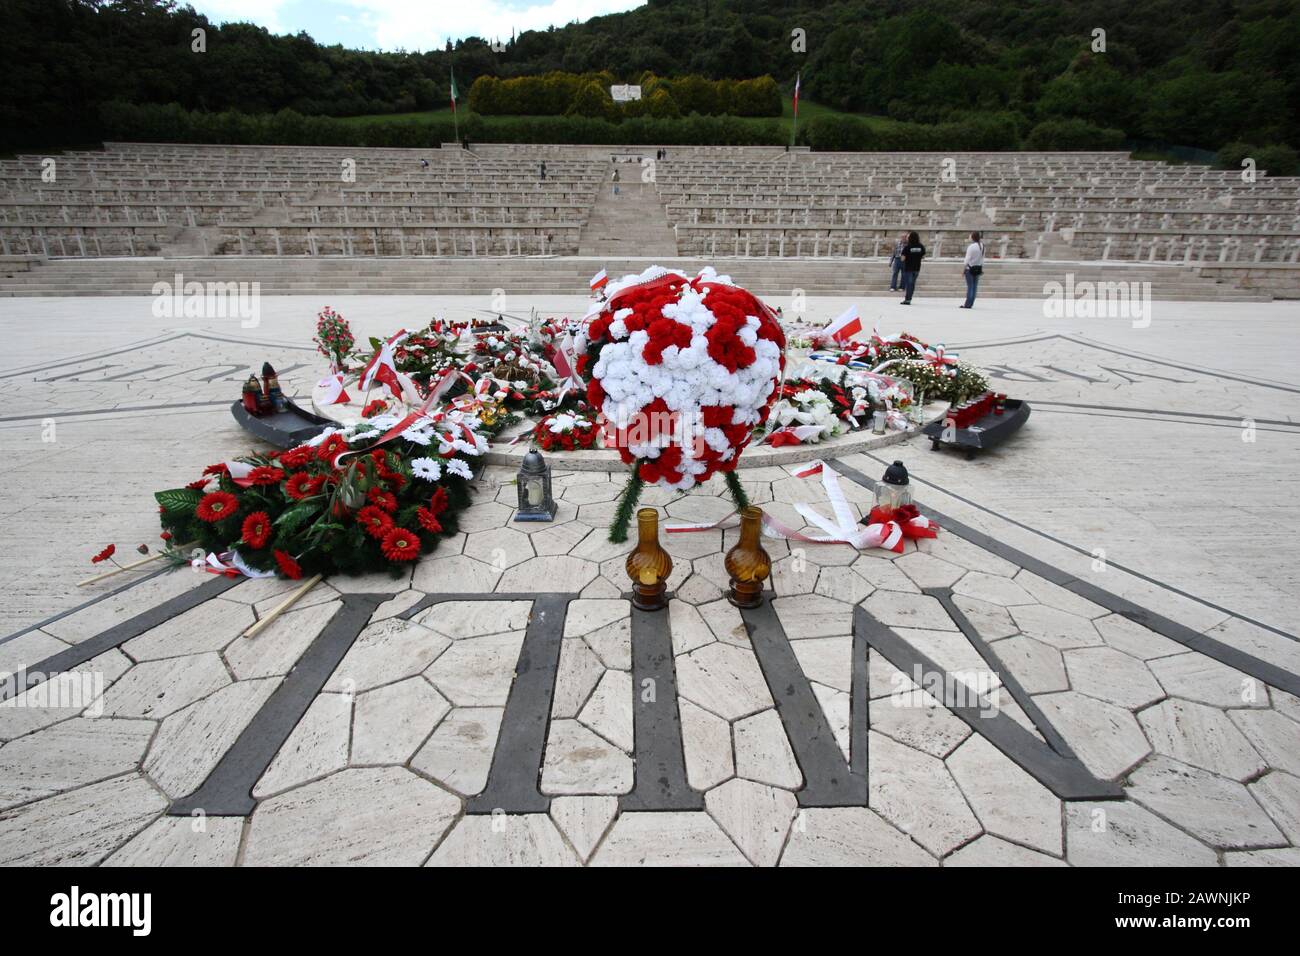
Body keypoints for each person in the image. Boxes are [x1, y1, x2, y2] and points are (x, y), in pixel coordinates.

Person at [899, 232, 925, 305]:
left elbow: (902, 259)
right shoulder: (921, 246)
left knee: (909, 284)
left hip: (909, 268)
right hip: (917, 268)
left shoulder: (907, 247)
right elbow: (923, 256)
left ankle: (907, 299)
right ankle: (909, 298)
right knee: (912, 284)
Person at [961, 231, 984, 309]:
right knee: (974, 286)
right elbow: (982, 258)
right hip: (978, 267)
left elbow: (967, 259)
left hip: (970, 268)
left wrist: (963, 269)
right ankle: (971, 302)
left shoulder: (972, 246)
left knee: (970, 286)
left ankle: (967, 303)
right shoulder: (982, 246)